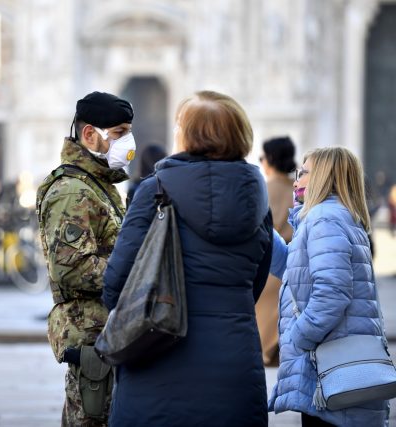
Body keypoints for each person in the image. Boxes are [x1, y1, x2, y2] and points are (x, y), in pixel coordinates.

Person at [103, 90, 272, 426]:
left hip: (156, 362)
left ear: (189, 135)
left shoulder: (155, 191)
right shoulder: (257, 200)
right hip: (235, 368)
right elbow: (256, 284)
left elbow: (116, 285)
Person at [268, 147, 388, 426]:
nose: (296, 180)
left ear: (323, 177)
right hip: (328, 372)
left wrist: (298, 337)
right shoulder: (328, 218)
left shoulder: (325, 219)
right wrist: (264, 231)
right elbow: (294, 270)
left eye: (304, 173)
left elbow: (332, 294)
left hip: (330, 372)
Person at [36, 91, 134, 426]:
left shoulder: (97, 184)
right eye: (119, 133)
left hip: (105, 329)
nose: (128, 141)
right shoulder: (72, 191)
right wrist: (133, 271)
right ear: (90, 134)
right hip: (90, 333)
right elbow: (72, 269)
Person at [256, 136, 296, 366]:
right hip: (294, 269)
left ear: (270, 159)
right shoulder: (300, 190)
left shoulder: (263, 189)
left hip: (268, 269)